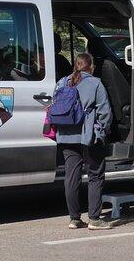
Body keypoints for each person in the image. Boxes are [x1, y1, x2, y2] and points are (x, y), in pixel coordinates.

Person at [55, 53, 113, 229]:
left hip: (65, 135)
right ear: (92, 67)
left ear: (75, 65)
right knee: (95, 175)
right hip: (89, 136)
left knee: (71, 177)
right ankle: (94, 219)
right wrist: (103, 131)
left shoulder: (62, 82)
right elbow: (105, 112)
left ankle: (74, 219)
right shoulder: (95, 83)